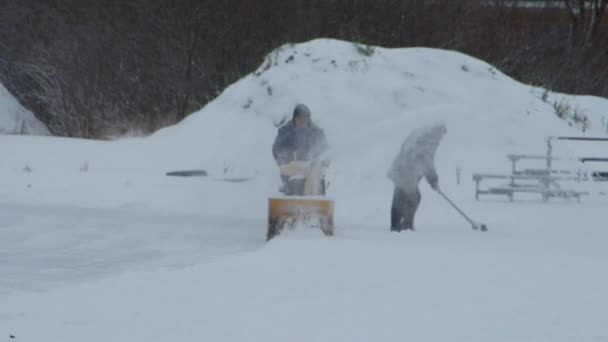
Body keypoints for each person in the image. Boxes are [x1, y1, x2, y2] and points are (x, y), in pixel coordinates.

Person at [387, 122, 447, 232]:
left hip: (401, 168)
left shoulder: (420, 134)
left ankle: (397, 225)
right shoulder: (428, 140)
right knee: (412, 198)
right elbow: (426, 161)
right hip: (405, 171)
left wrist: (432, 179)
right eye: (441, 135)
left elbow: (422, 160)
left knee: (400, 197)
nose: (441, 139)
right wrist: (433, 179)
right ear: (436, 132)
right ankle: (404, 225)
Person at [272, 104, 329, 196]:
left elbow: (326, 150)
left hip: (312, 166)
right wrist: (284, 160)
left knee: (315, 174)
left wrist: (322, 161)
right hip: (290, 165)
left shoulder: (316, 132)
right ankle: (302, 200)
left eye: (305, 118)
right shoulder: (285, 132)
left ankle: (314, 200)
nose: (303, 121)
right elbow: (276, 149)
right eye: (300, 118)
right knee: (298, 176)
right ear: (294, 118)